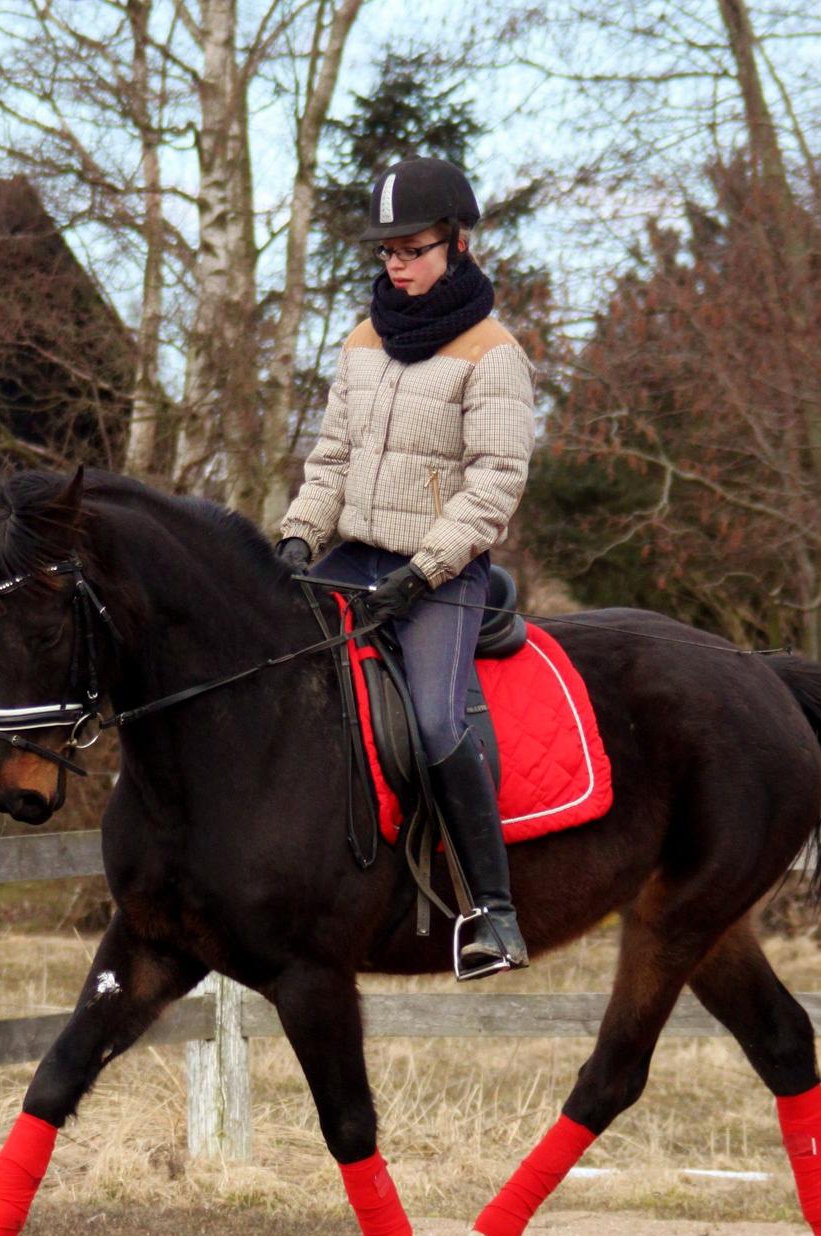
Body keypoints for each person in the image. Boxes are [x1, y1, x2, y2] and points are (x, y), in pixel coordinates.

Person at [277, 155, 536, 977]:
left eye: (411, 248)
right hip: (352, 553)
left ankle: (493, 915)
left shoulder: (493, 354)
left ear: (456, 245)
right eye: (386, 251)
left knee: (432, 721)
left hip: (443, 575)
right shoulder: (361, 341)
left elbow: (496, 483)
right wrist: (294, 539)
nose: (396, 263)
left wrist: (423, 572)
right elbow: (331, 460)